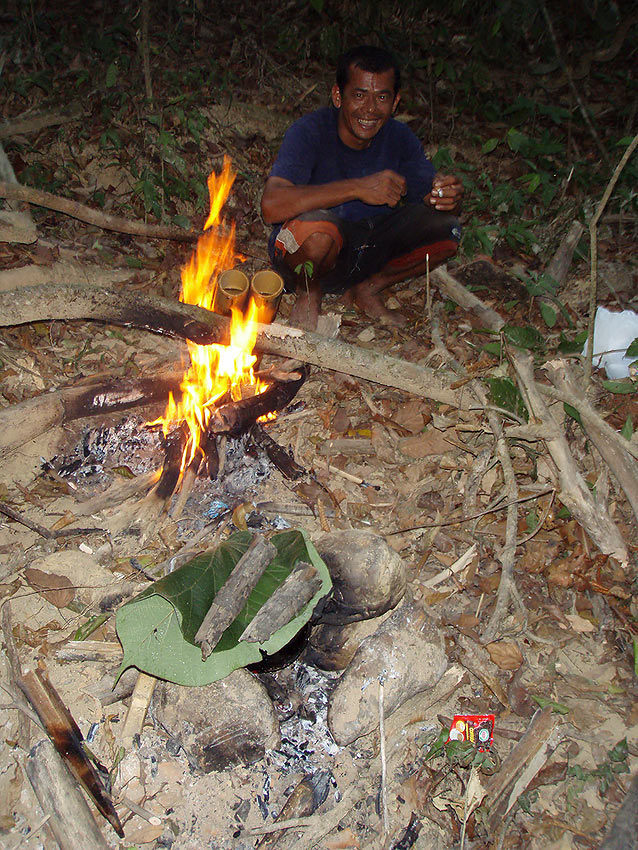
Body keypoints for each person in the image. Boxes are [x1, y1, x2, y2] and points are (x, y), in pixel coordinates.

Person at [260, 44, 464, 330]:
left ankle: (367, 289)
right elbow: (271, 206)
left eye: (381, 97)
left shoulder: (399, 137)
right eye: (359, 95)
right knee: (315, 231)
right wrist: (357, 187)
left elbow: (426, 197)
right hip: (311, 257)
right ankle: (309, 294)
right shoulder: (310, 131)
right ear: (338, 96)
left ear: (395, 103)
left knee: (447, 230)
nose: (369, 109)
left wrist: (444, 195)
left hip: (366, 251)